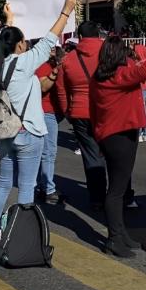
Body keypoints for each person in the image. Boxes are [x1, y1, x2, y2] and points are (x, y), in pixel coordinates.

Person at [0, 0, 76, 245]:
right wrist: (66, 11)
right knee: (26, 186)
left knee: (3, 183)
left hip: (5, 133)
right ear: (21, 45)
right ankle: (21, 236)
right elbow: (49, 40)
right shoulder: (24, 64)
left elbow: (7, 41)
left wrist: (9, 20)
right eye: (23, 41)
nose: (27, 43)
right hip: (27, 132)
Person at [90, 32, 146, 257]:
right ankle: (114, 239)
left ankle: (120, 233)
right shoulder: (119, 75)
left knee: (118, 187)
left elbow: (94, 110)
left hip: (109, 135)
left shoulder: (98, 76)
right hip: (121, 136)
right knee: (117, 190)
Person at [56, 21, 106, 210]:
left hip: (79, 111)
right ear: (99, 34)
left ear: (81, 37)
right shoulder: (108, 52)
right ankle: (121, 195)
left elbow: (61, 89)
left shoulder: (68, 59)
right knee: (114, 154)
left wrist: (67, 110)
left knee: (91, 155)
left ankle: (97, 197)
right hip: (107, 110)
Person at [35, 46, 65, 204]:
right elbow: (43, 86)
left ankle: (44, 186)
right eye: (51, 47)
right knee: (48, 152)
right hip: (46, 112)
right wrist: (55, 72)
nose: (54, 50)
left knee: (46, 152)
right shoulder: (42, 66)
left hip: (52, 112)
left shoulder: (52, 64)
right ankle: (48, 189)